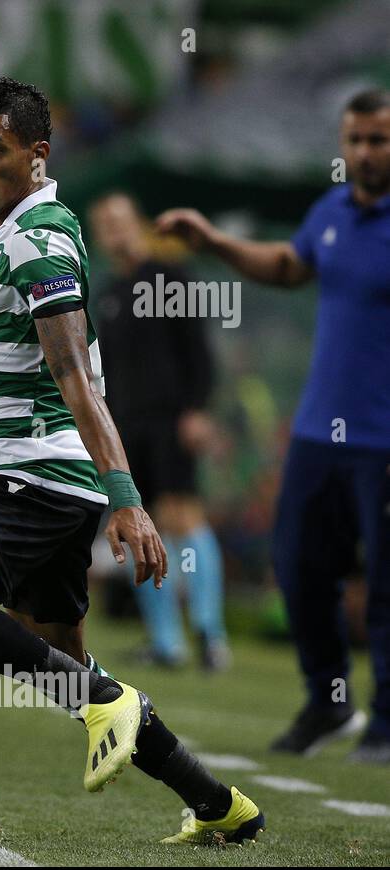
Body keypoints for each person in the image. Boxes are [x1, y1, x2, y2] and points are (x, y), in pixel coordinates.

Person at [0, 77, 262, 844]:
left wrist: (128, 498)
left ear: (37, 155)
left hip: (34, 475)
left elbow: (76, 378)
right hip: (36, 477)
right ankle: (219, 806)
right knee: (63, 666)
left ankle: (106, 695)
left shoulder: (41, 241)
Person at [156, 88, 390, 763]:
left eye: (379, 140)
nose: (365, 152)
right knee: (296, 563)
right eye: (356, 140)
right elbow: (289, 267)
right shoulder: (333, 210)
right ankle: (330, 700)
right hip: (321, 433)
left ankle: (387, 722)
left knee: (386, 582)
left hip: (383, 441)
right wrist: (214, 241)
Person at [89, 192, 229, 670]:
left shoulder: (169, 276)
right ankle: (167, 643)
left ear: (141, 223)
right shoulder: (107, 292)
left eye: (121, 220)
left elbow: (199, 350)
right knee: (137, 528)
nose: (114, 230)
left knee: (183, 517)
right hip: (127, 428)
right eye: (105, 224)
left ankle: (211, 634)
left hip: (171, 417)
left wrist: (197, 409)